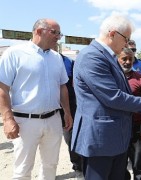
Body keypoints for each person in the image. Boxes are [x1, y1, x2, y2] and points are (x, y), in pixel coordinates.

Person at [70, 15, 141, 180]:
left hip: (114, 138)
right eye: (126, 39)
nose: (127, 44)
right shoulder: (92, 56)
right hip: (100, 139)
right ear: (112, 33)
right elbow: (113, 97)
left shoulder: (108, 57)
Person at [0, 18, 73, 179]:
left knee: (50, 165)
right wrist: (7, 119)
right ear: (38, 31)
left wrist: (67, 112)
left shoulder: (56, 58)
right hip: (25, 122)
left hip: (53, 119)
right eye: (55, 32)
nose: (58, 37)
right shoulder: (14, 53)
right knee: (23, 169)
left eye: (59, 33)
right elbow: (2, 88)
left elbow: (62, 87)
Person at [117, 48, 141, 180]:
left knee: (139, 163)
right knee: (119, 165)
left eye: (130, 59)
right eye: (124, 58)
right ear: (117, 59)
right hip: (117, 128)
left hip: (137, 127)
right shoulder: (111, 78)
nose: (127, 62)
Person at [52, 44, 83, 173]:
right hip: (48, 108)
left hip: (69, 107)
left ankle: (78, 166)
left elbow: (75, 85)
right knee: (50, 141)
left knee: (71, 138)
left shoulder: (69, 62)